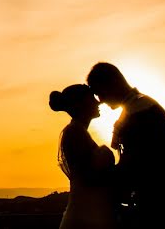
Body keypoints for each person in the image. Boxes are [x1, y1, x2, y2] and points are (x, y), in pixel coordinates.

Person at [86, 63, 165, 229]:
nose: (101, 100)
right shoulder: (138, 107)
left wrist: (99, 180)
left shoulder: (140, 112)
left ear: (112, 83)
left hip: (161, 202)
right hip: (164, 197)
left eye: (100, 93)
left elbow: (135, 163)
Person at [50, 84, 118, 229]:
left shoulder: (78, 131)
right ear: (81, 104)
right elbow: (89, 176)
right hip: (85, 217)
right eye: (92, 98)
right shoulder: (75, 132)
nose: (98, 102)